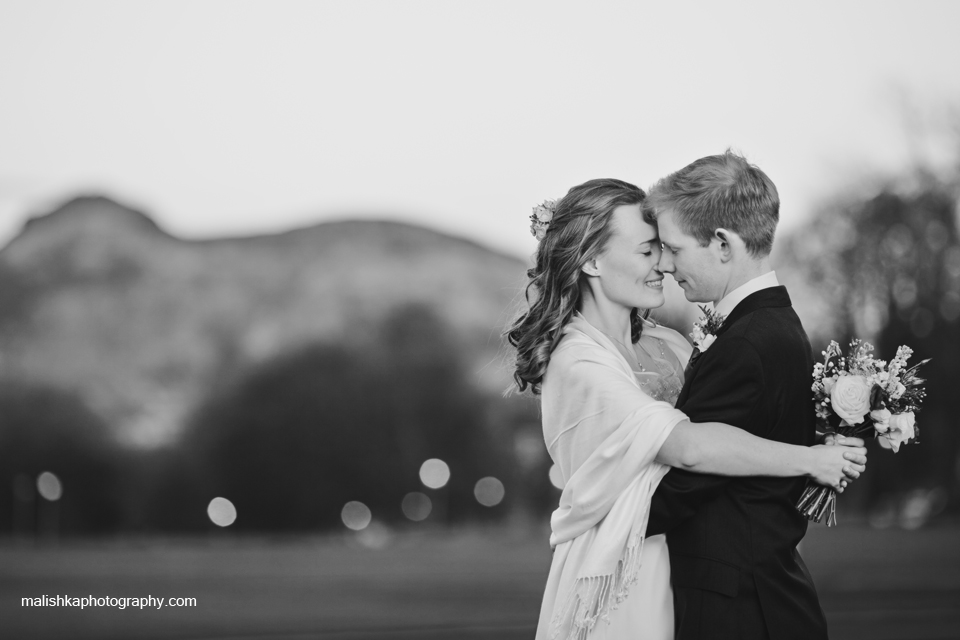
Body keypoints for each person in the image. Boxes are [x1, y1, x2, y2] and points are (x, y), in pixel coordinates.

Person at [505, 177, 866, 640]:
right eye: (646, 251)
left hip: (687, 575)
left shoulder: (671, 345)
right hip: (621, 573)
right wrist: (810, 459)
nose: (664, 265)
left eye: (663, 248)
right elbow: (690, 448)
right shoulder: (578, 363)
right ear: (592, 260)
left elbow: (735, 427)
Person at [643, 152, 837, 639]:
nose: (664, 265)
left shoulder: (748, 344)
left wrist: (594, 509)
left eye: (673, 248)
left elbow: (684, 481)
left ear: (723, 245)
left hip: (739, 609)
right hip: (751, 593)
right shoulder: (764, 326)